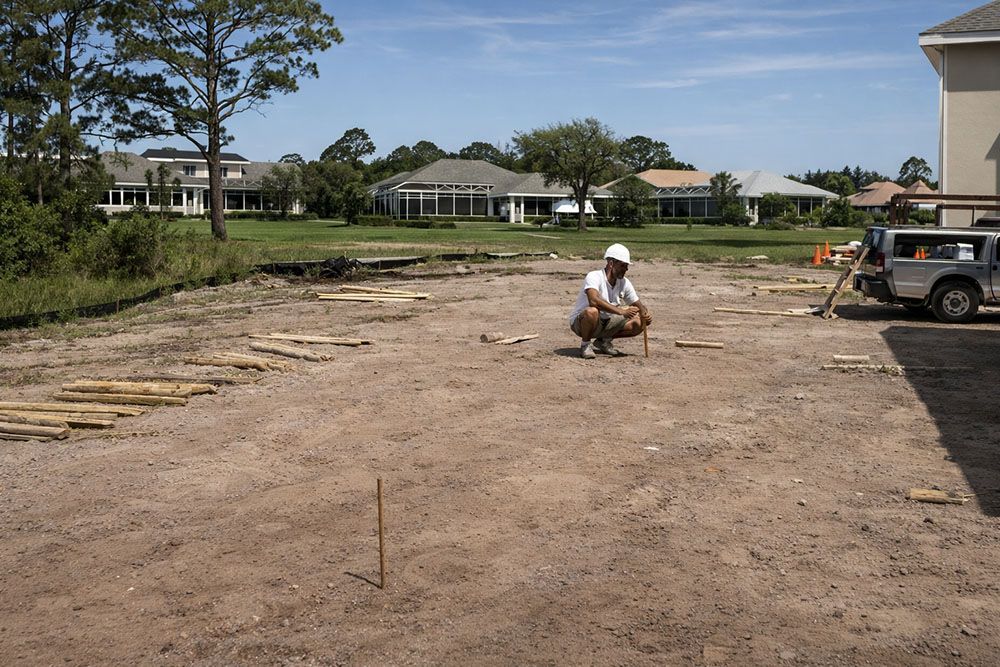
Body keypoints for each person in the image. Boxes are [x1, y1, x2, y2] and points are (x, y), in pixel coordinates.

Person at [568, 243, 652, 359]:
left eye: (627, 266)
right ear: (611, 264)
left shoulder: (624, 282)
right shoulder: (594, 276)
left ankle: (603, 341)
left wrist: (644, 314)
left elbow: (637, 303)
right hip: (582, 323)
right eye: (623, 265)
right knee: (592, 312)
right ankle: (585, 345)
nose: (626, 269)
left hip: (606, 322)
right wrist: (621, 311)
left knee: (638, 323)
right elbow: (594, 301)